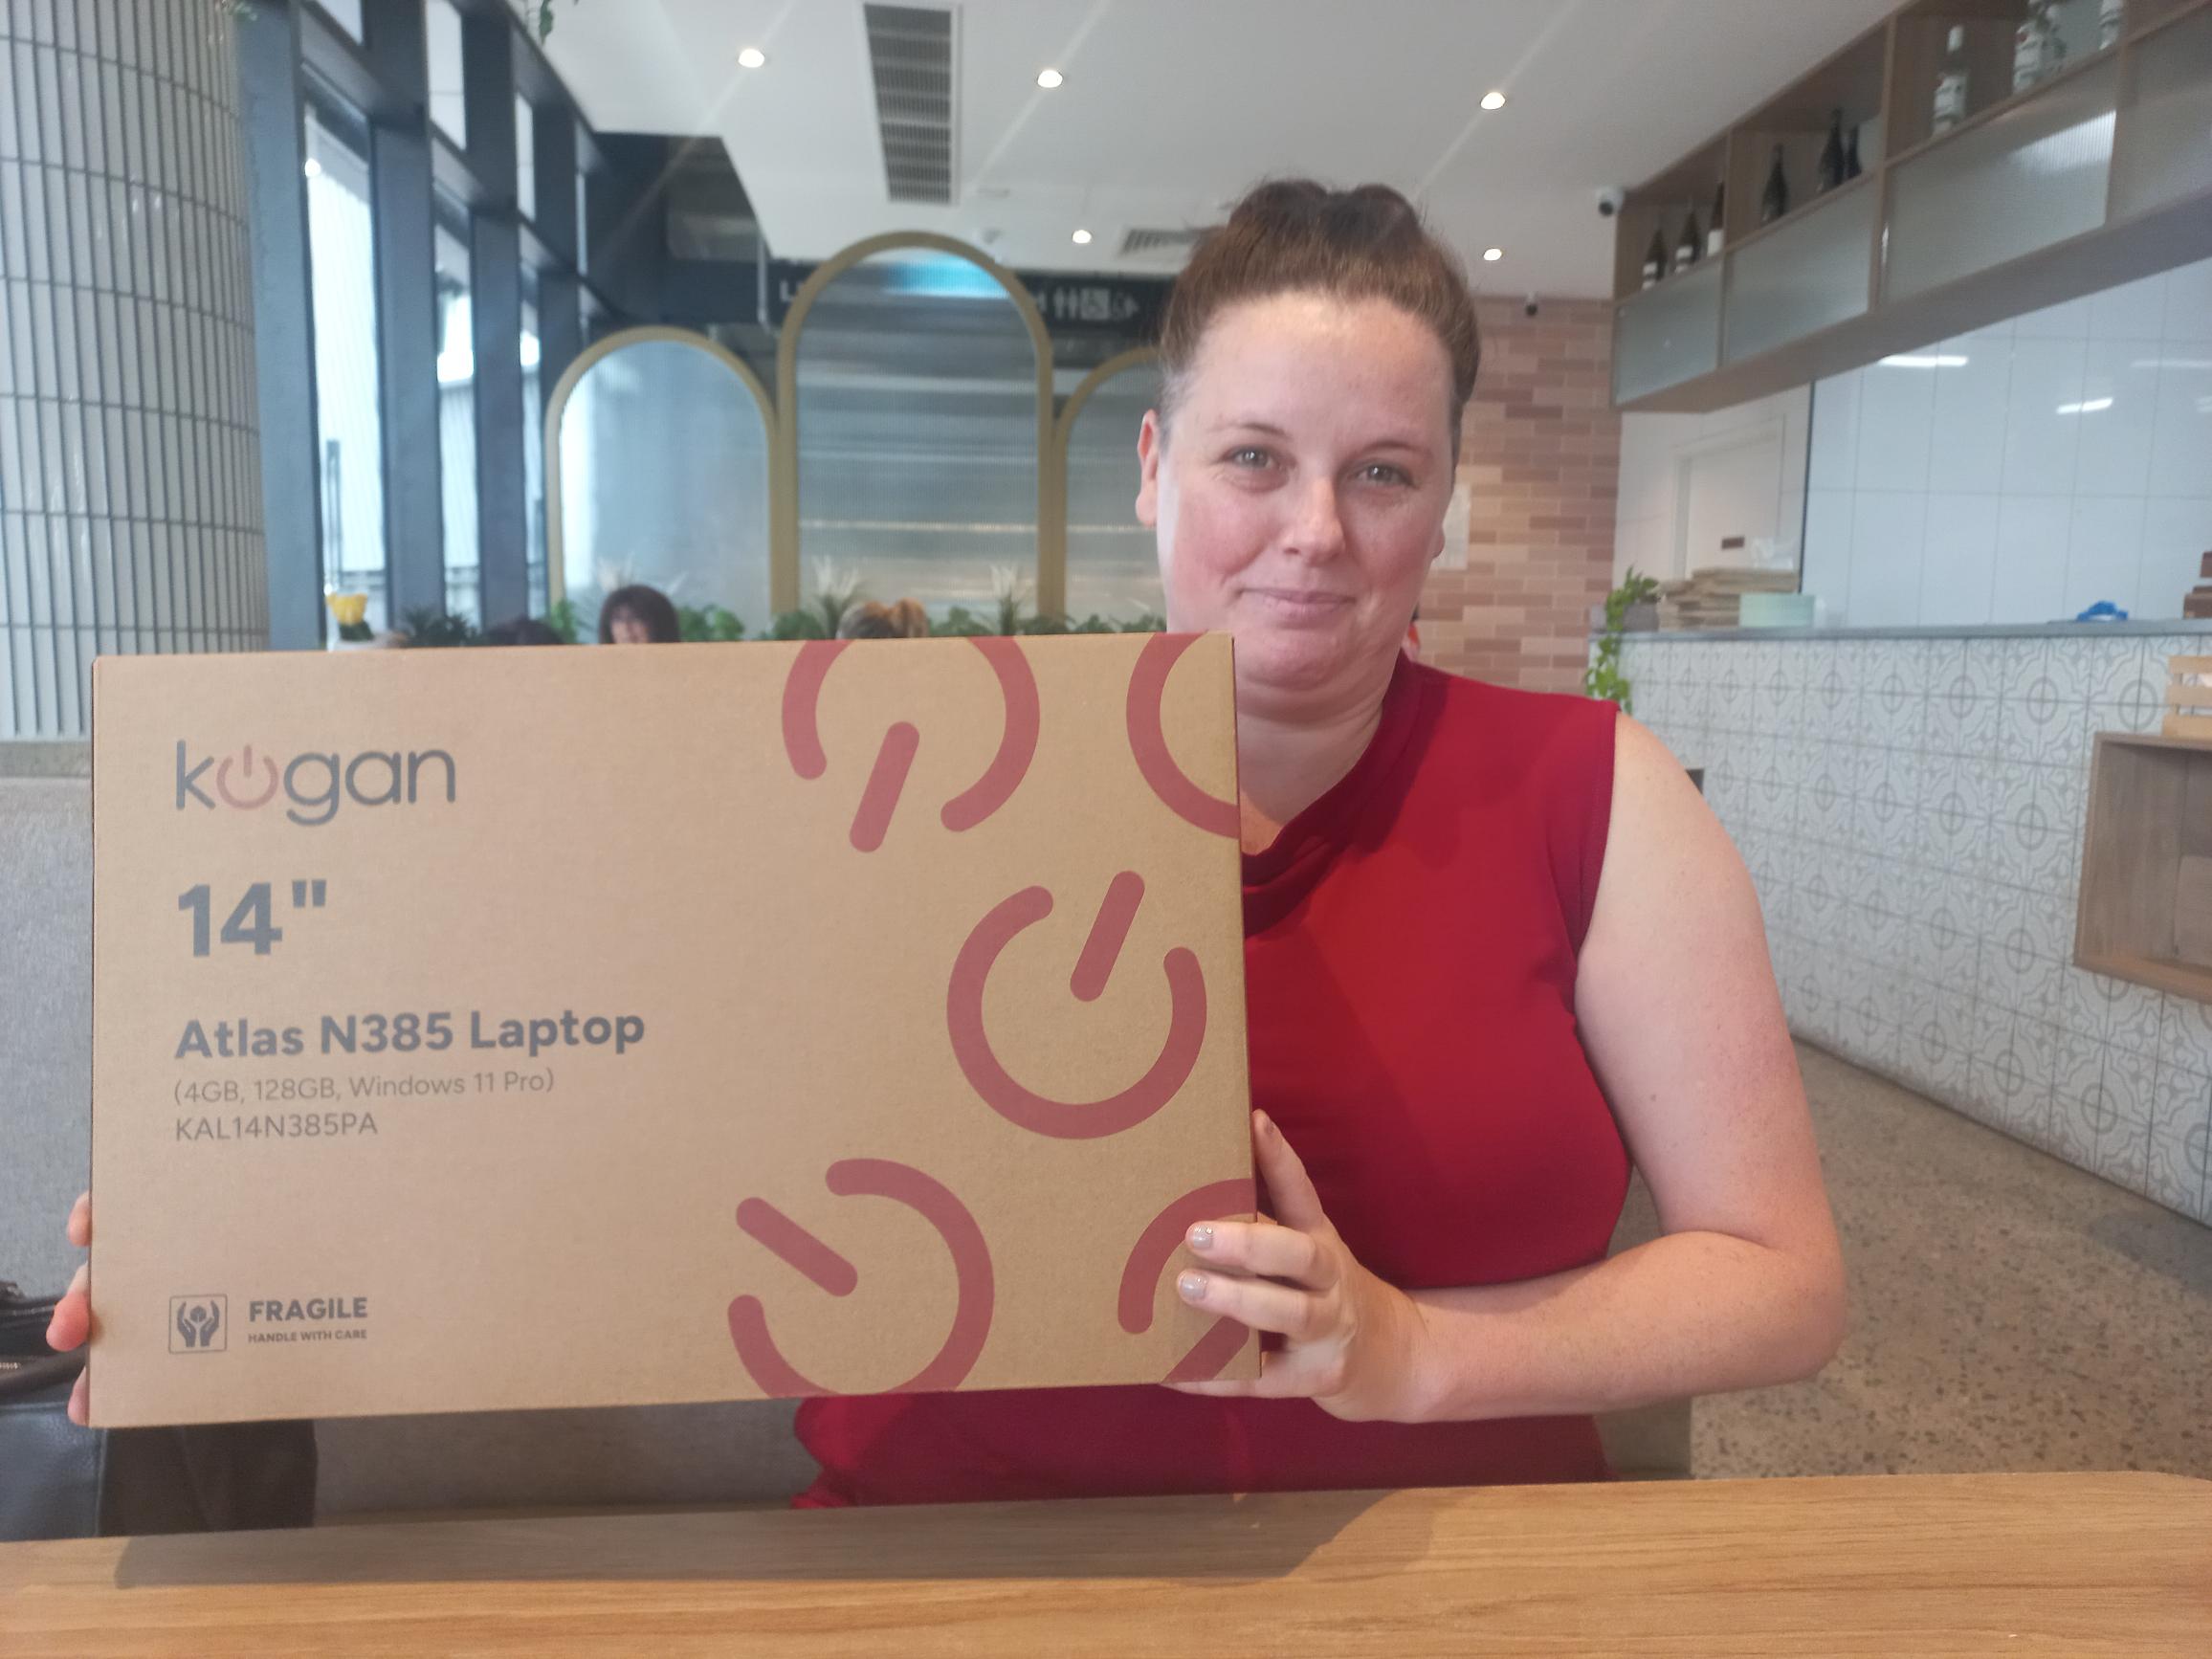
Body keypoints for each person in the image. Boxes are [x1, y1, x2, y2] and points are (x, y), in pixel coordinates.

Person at [47, 184, 1846, 1506]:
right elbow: (608, 1099)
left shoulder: (1592, 793)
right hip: (947, 1565)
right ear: (1149, 469)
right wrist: (247, 1210)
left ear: (1443, 501)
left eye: (1382, 471)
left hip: (1450, 1572)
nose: (1313, 529)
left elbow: (1780, 1278)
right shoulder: (902, 775)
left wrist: (1419, 1349)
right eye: (1250, 458)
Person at [598, 584, 681, 644]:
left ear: (659, 623)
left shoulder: (684, 664)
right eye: (618, 619)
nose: (626, 627)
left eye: (636, 618)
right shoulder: (597, 666)